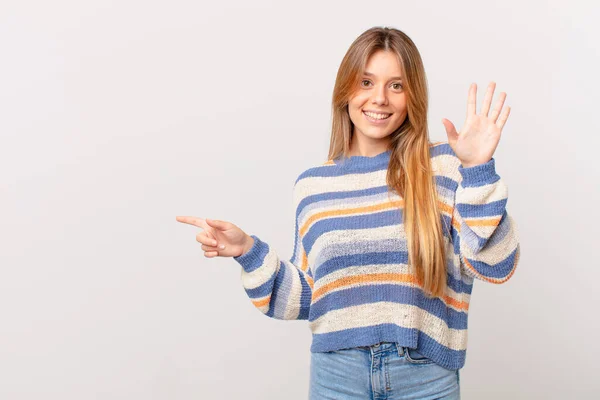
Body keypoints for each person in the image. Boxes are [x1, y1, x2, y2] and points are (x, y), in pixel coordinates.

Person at [176, 26, 520, 400]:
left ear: (412, 97)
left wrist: (478, 169)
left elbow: (495, 263)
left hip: (425, 377)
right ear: (345, 91)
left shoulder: (443, 167)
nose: (380, 98)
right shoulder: (313, 186)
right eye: (366, 81)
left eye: (396, 86)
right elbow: (308, 298)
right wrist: (248, 250)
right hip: (337, 376)